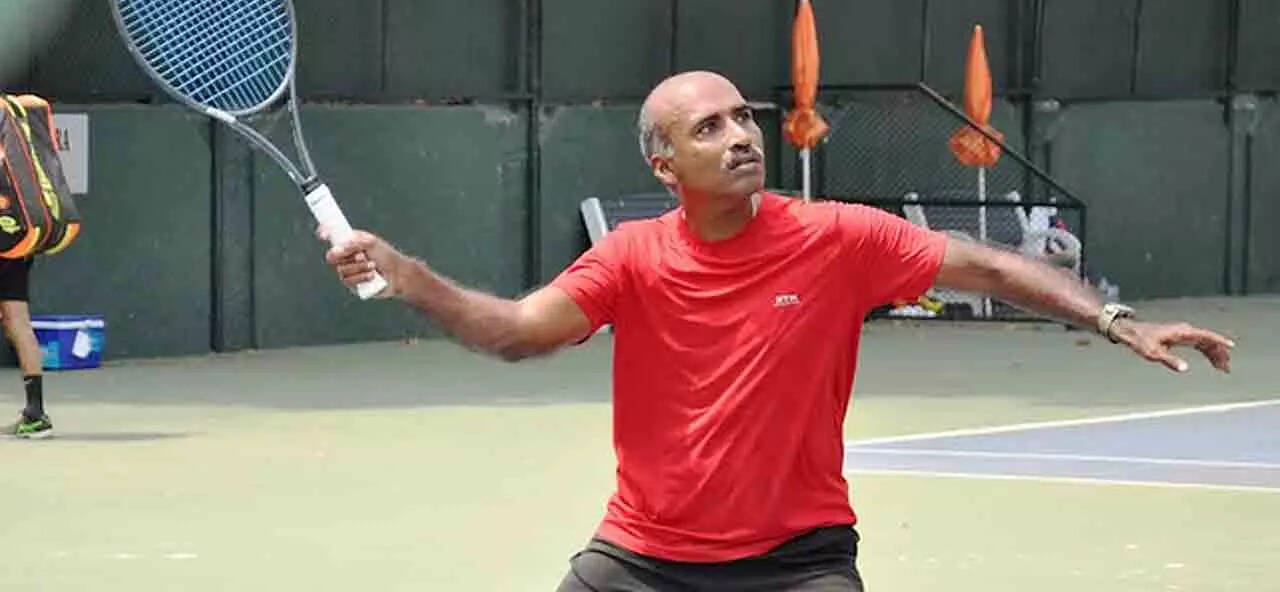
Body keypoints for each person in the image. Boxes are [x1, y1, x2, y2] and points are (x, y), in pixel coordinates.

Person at [321, 71, 1234, 591]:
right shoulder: (631, 258)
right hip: (643, 559)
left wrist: (1116, 319)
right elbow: (520, 330)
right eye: (708, 127)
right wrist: (410, 278)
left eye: (743, 117)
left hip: (798, 563)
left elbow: (989, 265)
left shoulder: (838, 238)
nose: (740, 135)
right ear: (665, 164)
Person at [4, 256, 51, 439]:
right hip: (17, 250)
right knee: (18, 321)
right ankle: (35, 414)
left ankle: (35, 415)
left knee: (17, 321)